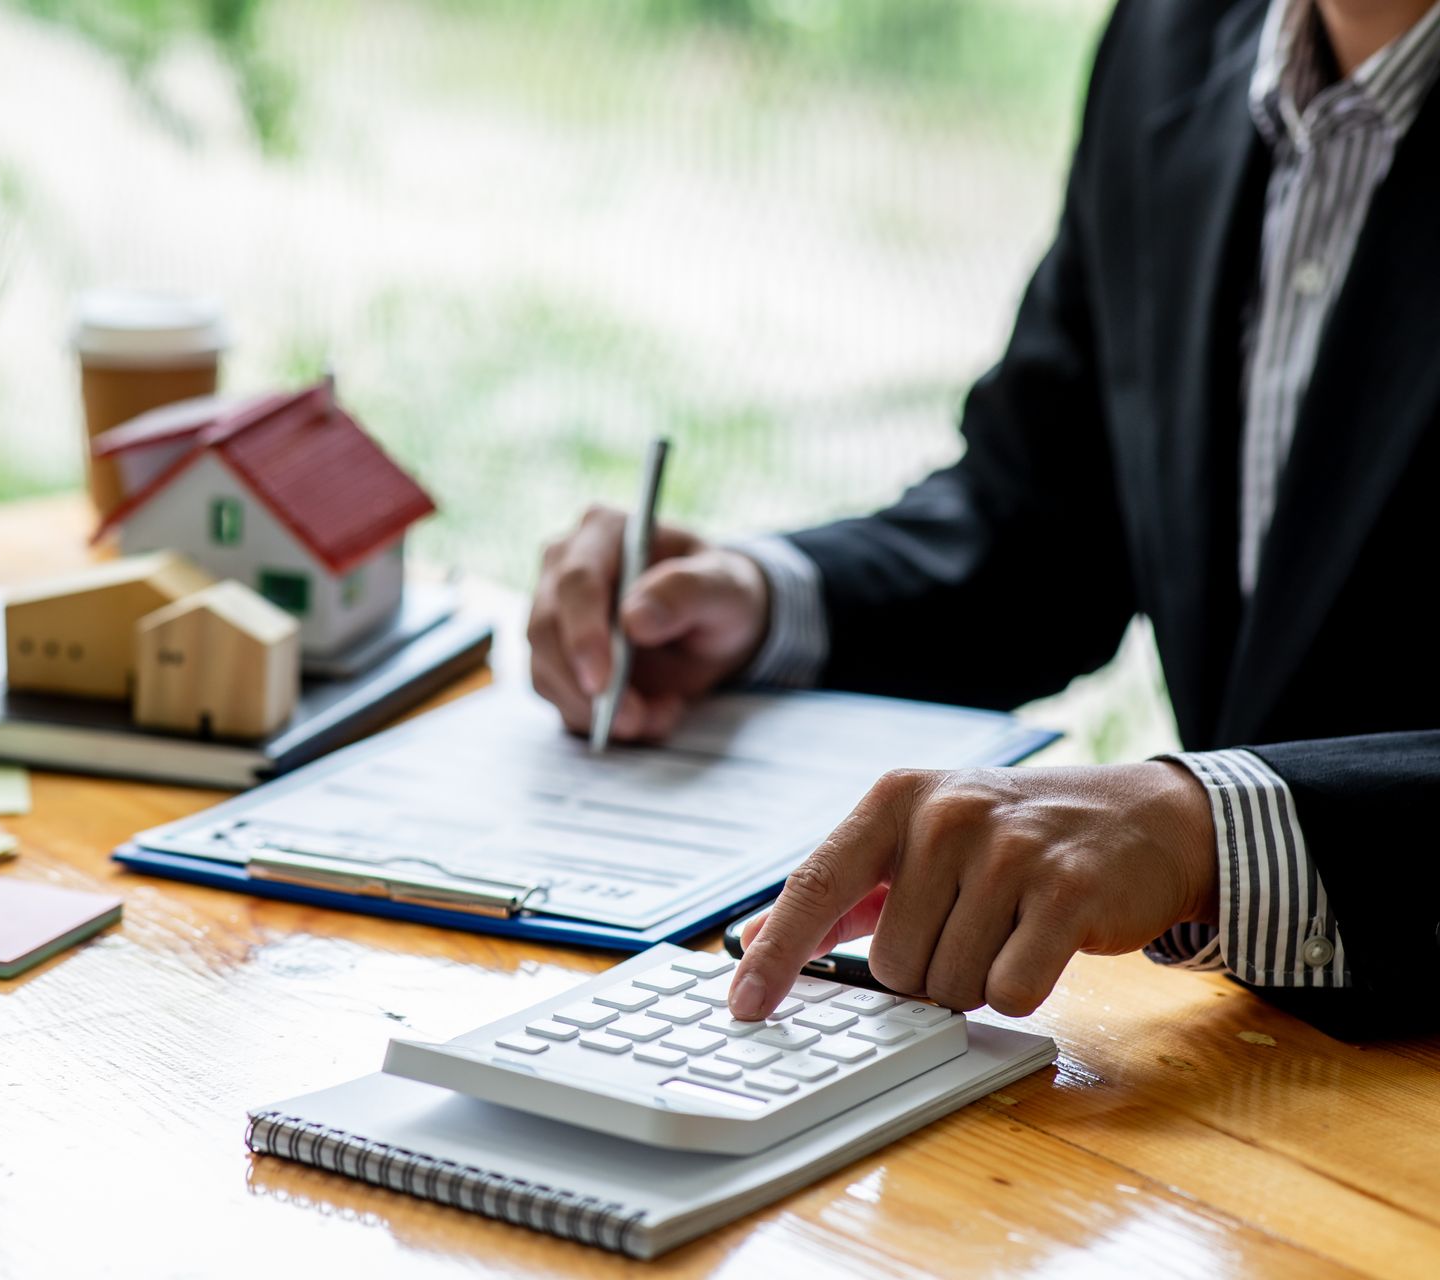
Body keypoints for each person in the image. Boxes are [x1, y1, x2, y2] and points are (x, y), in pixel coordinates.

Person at [529, 0, 1440, 1023]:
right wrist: (761, 596)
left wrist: (1209, 830)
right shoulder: (1172, 37)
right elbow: (1041, 528)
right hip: (1244, 1062)